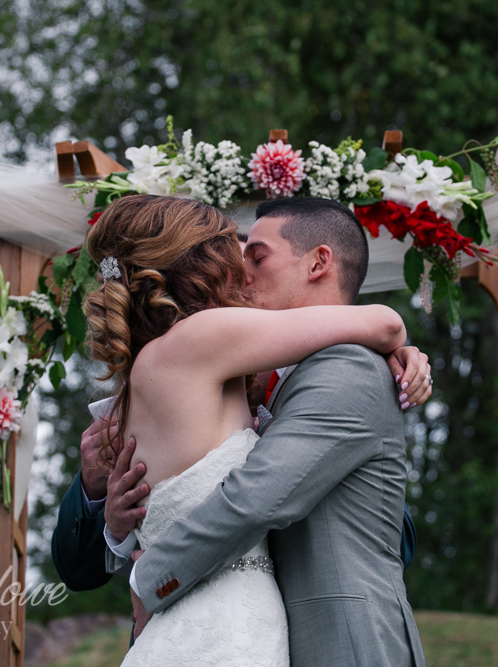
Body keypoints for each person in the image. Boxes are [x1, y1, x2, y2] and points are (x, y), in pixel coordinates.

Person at [116, 196, 425, 666]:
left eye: (256, 256)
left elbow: (258, 496)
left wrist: (151, 576)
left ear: (320, 262)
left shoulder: (349, 369)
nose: (242, 273)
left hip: (345, 644)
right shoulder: (252, 376)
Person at [50, 230, 430, 594]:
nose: (245, 278)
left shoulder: (335, 377)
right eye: (230, 267)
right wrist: (103, 509)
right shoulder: (157, 382)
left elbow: (395, 543)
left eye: (257, 261)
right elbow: (78, 571)